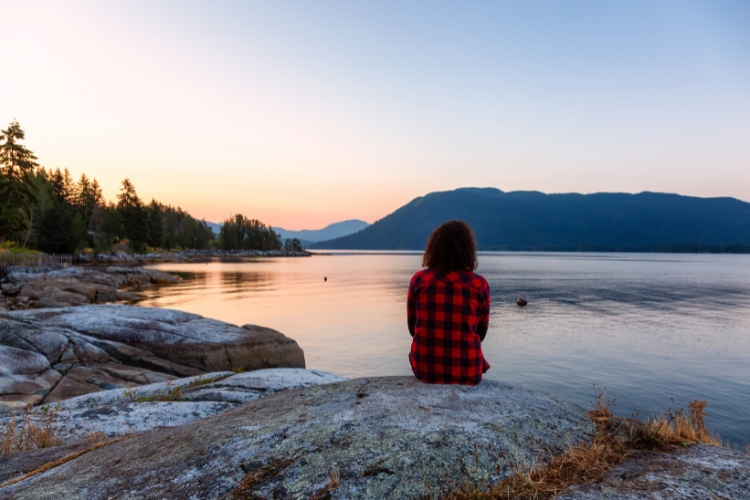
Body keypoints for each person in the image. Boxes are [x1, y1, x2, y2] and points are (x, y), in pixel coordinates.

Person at [407, 220, 491, 385]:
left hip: (425, 370)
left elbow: (412, 328)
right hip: (469, 371)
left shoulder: (419, 280)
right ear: (468, 250)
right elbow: (481, 333)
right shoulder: (479, 284)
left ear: (434, 248)